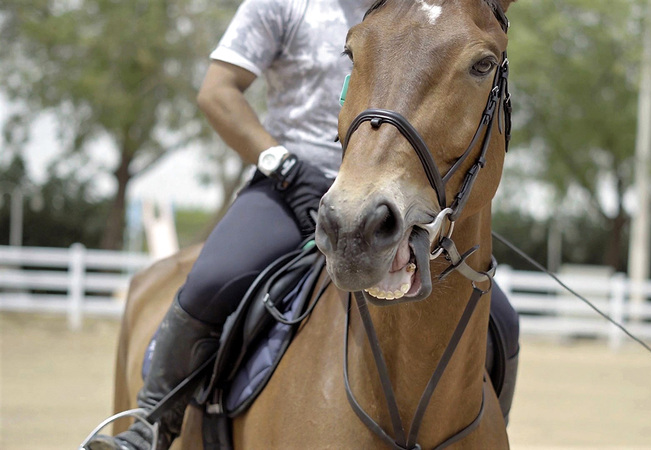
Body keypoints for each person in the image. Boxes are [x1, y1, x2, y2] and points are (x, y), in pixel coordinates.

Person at [86, 1, 519, 449]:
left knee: (500, 317)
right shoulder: (282, 5)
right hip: (287, 182)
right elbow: (217, 91)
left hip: (394, 180)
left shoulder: (408, 10)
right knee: (212, 280)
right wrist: (282, 162)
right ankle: (148, 427)